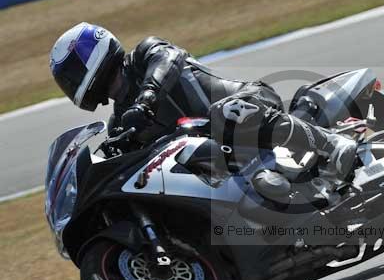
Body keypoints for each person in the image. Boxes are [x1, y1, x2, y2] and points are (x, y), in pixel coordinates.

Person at [49, 22, 356, 178]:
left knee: (225, 111)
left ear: (92, 56)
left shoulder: (144, 55)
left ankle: (331, 145)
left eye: (72, 74)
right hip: (220, 153)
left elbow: (167, 60)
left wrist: (147, 98)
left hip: (248, 101)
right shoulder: (121, 120)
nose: (72, 84)